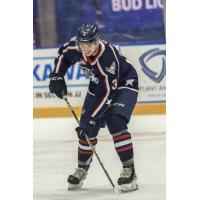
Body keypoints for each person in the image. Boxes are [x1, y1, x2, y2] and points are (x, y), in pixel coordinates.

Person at [49, 24, 139, 192]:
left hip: (123, 84)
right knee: (86, 130)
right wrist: (57, 75)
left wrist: (92, 118)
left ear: (97, 41)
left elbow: (107, 93)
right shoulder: (76, 46)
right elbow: (64, 54)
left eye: (90, 44)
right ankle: (82, 168)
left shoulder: (107, 57)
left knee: (115, 121)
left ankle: (130, 170)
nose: (86, 48)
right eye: (83, 44)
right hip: (99, 85)